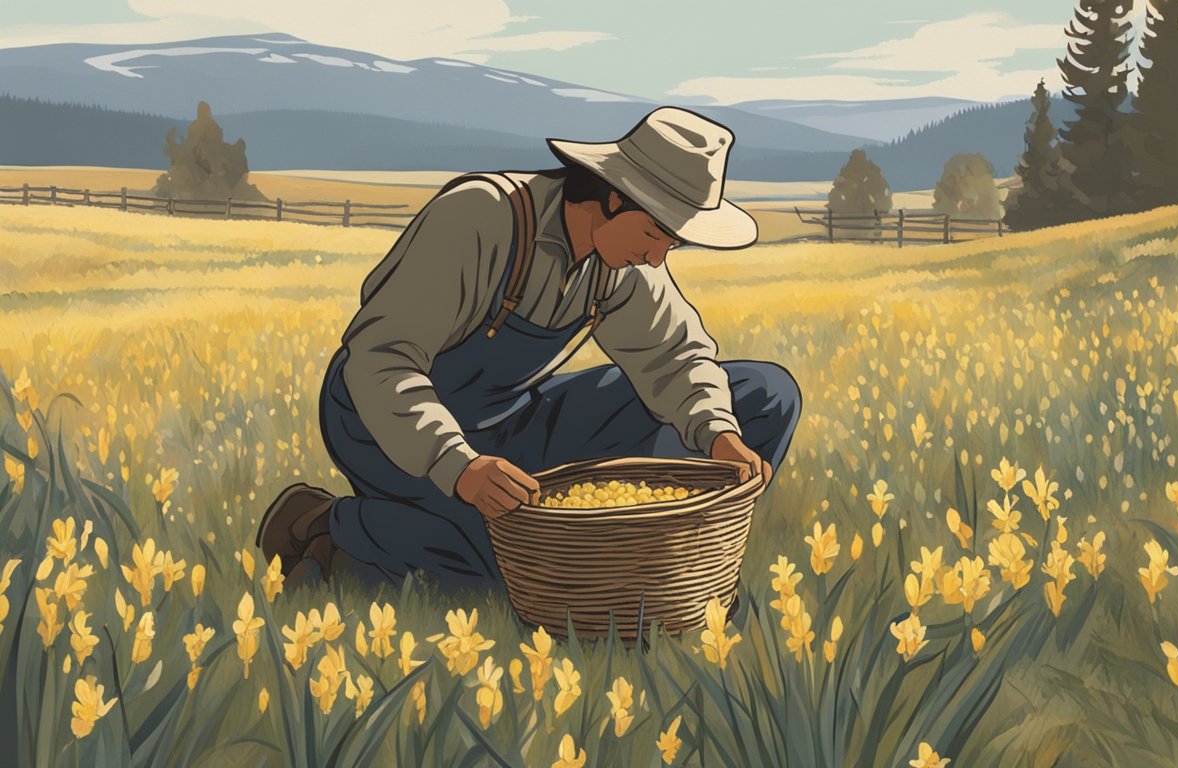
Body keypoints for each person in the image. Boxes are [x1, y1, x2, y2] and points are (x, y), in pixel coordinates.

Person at [256, 106, 802, 589]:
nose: (658, 259)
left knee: (766, 395)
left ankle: (653, 550)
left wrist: (718, 433)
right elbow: (383, 357)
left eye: (671, 243)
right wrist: (459, 466)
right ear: (614, 198)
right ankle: (331, 529)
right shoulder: (481, 217)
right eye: (655, 236)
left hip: (509, 417)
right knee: (520, 559)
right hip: (381, 418)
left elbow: (675, 355)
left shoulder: (624, 260)